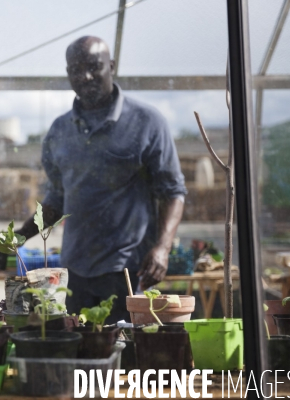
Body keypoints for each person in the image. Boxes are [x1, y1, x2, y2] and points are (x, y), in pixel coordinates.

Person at [14, 36, 187, 323]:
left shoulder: (146, 122)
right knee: (80, 350)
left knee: (122, 352)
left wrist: (162, 248)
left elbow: (174, 192)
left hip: (126, 269)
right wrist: (18, 238)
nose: (85, 76)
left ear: (112, 66)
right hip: (75, 268)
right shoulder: (59, 131)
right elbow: (57, 199)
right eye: (75, 70)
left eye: (94, 67)